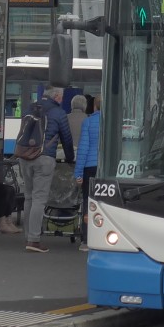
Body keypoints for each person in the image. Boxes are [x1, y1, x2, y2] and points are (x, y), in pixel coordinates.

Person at [21, 86, 75, 253]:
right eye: (61, 96)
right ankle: (34, 240)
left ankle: (28, 235)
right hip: (44, 157)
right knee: (39, 198)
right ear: (57, 96)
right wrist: (70, 157)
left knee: (29, 197)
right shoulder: (58, 113)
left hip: (25, 156)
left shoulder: (31, 108)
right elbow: (66, 137)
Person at [74, 96, 101, 251]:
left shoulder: (89, 122)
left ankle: (86, 240)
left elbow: (83, 149)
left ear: (94, 107)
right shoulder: (113, 122)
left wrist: (78, 173)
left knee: (88, 202)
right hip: (107, 168)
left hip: (90, 167)